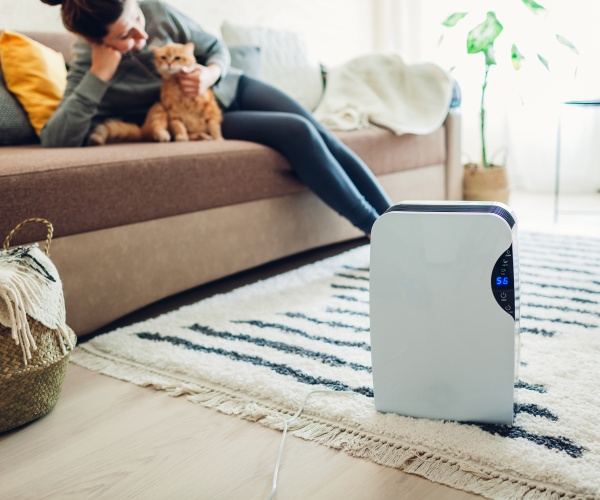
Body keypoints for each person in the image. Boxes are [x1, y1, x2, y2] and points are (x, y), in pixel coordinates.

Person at [40, 0, 392, 236]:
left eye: (136, 18)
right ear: (97, 42)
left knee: (324, 134)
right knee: (297, 131)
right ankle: (376, 233)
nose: (141, 35)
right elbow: (56, 139)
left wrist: (209, 74)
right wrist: (99, 76)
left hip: (232, 87)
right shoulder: (90, 62)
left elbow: (214, 48)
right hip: (202, 121)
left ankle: (398, 223)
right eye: (125, 36)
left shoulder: (155, 9)